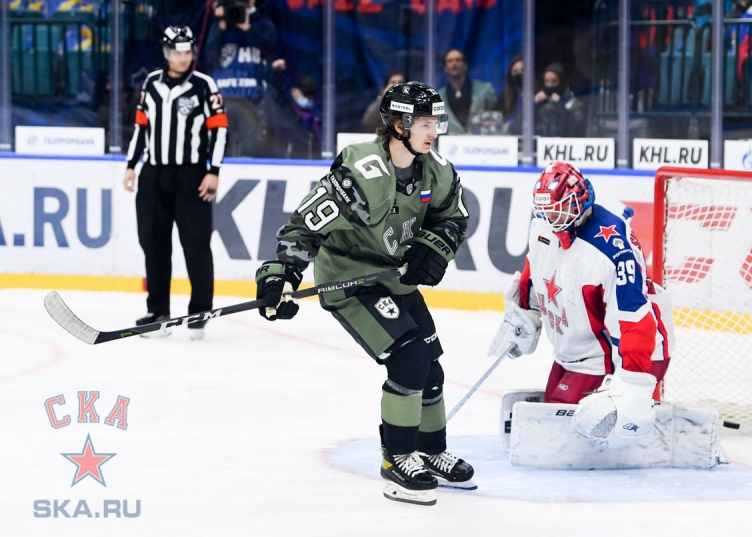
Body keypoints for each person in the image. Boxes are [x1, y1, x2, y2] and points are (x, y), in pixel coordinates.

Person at [253, 81, 474, 506]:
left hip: (393, 277)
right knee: (409, 360)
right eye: (423, 123)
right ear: (397, 124)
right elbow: (304, 225)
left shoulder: (437, 170)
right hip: (351, 279)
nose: (433, 131)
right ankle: (397, 460)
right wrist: (281, 274)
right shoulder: (359, 172)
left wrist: (434, 247)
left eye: (435, 123)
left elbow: (453, 217)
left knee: (431, 367)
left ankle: (431, 452)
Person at [488, 161, 672, 448]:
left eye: (557, 209)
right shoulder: (543, 227)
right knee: (555, 413)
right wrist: (526, 314)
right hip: (575, 353)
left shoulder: (611, 251)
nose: (550, 217)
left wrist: (631, 384)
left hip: (620, 356)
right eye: (545, 209)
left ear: (579, 202)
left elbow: (634, 321)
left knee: (565, 434)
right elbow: (535, 273)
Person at [123, 26, 228, 340]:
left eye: (187, 52)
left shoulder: (203, 85)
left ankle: (200, 309)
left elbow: (219, 130)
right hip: (153, 174)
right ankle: (158, 310)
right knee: (153, 243)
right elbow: (141, 127)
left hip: (192, 175)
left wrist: (214, 171)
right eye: (177, 52)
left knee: (195, 243)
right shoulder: (151, 83)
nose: (183, 58)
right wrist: (131, 165)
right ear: (167, 52)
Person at [204, 0, 282, 157]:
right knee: (218, 150)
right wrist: (221, 25)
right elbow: (209, 57)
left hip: (252, 100)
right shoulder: (220, 23)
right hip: (224, 100)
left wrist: (248, 28)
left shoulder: (263, 22)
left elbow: (270, 47)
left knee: (251, 150)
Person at [438, 48, 497, 135]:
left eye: (458, 60)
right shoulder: (439, 97)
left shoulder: (484, 90)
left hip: (480, 144)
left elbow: (495, 117)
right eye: (450, 61)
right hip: (450, 146)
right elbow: (439, 129)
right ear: (445, 68)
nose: (454, 64)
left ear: (465, 65)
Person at [534, 62, 586, 137]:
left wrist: (560, 105)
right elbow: (521, 126)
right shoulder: (542, 102)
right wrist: (533, 105)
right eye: (547, 82)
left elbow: (576, 127)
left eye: (554, 81)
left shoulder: (574, 103)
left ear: (562, 82)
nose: (550, 85)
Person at [494, 55, 524, 135]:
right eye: (515, 71)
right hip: (510, 139)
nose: (519, 74)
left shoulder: (538, 94)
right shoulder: (504, 97)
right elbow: (496, 120)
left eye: (523, 70)